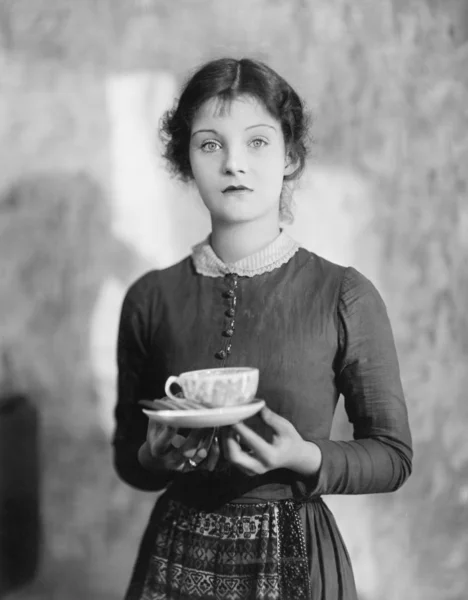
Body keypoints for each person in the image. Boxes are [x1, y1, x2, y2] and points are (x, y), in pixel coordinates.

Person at [113, 57, 413, 600]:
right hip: (174, 559)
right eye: (210, 144)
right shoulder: (149, 300)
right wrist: (151, 457)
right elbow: (128, 460)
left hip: (295, 558)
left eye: (256, 142)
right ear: (186, 159)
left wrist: (306, 457)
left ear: (290, 156)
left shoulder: (343, 294)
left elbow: (393, 455)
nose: (233, 164)